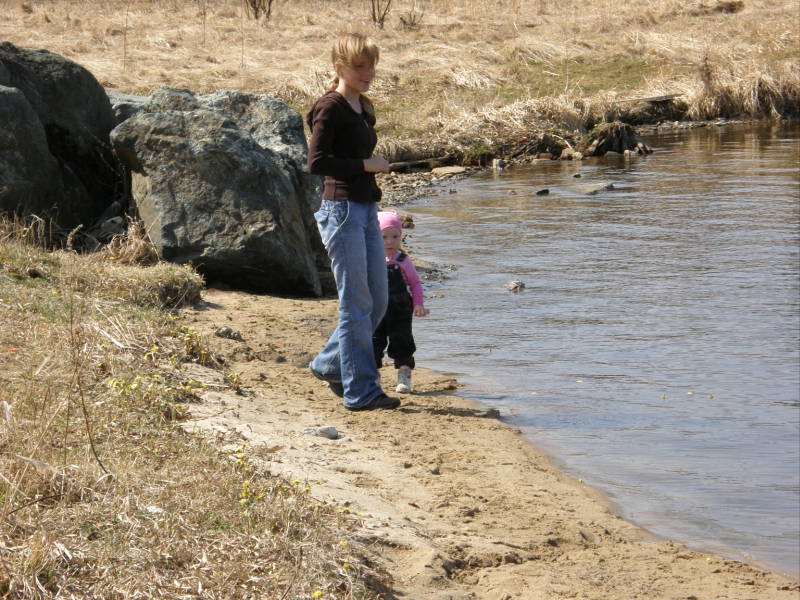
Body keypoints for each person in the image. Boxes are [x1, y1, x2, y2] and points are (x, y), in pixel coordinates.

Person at [305, 33, 400, 411]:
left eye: (371, 65)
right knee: (356, 305)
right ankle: (360, 390)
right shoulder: (330, 107)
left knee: (377, 301)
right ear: (339, 67)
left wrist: (369, 168)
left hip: (365, 210)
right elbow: (316, 163)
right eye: (359, 66)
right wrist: (366, 165)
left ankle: (329, 365)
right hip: (341, 213)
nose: (368, 72)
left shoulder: (362, 107)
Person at [373, 211, 430, 394]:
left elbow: (415, 283)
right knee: (372, 344)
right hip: (376, 311)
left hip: (400, 310)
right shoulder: (371, 259)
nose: (390, 242)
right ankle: (372, 380)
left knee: (402, 343)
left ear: (401, 236)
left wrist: (418, 304)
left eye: (395, 236)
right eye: (384, 237)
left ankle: (404, 380)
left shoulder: (403, 260)